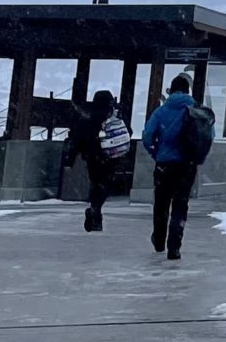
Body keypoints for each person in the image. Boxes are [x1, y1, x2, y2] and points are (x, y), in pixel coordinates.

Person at [140, 75, 211, 262]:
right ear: (188, 91)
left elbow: (147, 136)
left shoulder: (161, 112)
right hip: (187, 165)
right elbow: (208, 135)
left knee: (161, 203)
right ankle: (175, 246)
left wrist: (155, 152)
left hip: (164, 164)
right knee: (180, 204)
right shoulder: (196, 111)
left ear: (170, 91)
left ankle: (159, 240)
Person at [74, 89, 132, 233]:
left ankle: (96, 217)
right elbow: (127, 133)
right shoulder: (114, 117)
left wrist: (73, 156)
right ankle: (96, 211)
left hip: (92, 156)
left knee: (95, 183)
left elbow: (79, 138)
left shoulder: (89, 118)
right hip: (110, 156)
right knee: (105, 185)